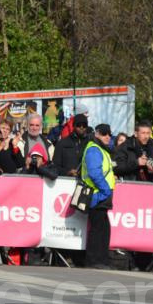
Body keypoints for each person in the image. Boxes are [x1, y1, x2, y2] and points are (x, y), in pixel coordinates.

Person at [81, 123, 115, 269]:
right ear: (97, 134)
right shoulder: (94, 149)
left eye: (109, 134)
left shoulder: (100, 148)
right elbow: (94, 173)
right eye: (104, 133)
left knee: (103, 229)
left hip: (100, 195)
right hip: (97, 195)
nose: (107, 136)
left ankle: (101, 260)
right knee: (98, 230)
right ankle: (94, 261)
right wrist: (106, 190)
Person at [53, 113, 91, 177]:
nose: (81, 127)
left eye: (84, 125)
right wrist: (67, 172)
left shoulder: (90, 144)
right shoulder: (62, 143)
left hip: (85, 181)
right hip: (67, 180)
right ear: (74, 126)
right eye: (79, 125)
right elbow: (55, 166)